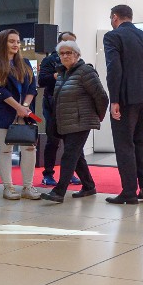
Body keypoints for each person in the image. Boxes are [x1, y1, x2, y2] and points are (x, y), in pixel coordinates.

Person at [103, 4, 143, 204]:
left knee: (124, 143)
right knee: (141, 140)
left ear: (114, 17)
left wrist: (115, 100)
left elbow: (114, 69)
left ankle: (129, 191)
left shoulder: (113, 37)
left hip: (127, 98)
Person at [41, 40, 106, 203]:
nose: (65, 56)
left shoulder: (85, 71)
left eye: (68, 52)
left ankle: (59, 191)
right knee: (77, 156)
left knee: (69, 154)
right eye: (62, 53)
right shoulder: (62, 73)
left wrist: (98, 115)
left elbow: (101, 96)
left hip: (81, 121)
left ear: (77, 55)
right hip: (65, 122)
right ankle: (89, 186)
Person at [0, 29, 40, 201]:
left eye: (18, 41)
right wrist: (18, 107)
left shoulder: (24, 62)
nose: (16, 44)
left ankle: (28, 186)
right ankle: (8, 187)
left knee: (29, 148)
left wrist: (24, 107)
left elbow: (32, 88)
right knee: (5, 150)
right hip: (1, 111)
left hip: (24, 112)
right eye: (11, 41)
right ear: (3, 43)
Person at [38, 31, 77, 186]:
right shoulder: (49, 60)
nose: (69, 47)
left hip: (71, 106)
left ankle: (70, 173)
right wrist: (57, 75)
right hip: (52, 105)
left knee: (71, 143)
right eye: (67, 42)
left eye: (73, 43)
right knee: (52, 141)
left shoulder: (77, 61)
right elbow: (41, 81)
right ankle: (48, 174)